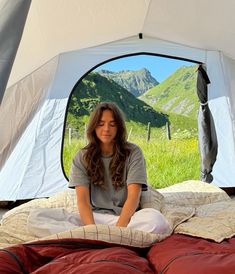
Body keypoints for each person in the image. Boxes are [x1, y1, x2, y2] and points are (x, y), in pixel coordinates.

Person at [69, 102, 170, 234]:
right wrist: (91, 231)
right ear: (93, 127)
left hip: (128, 218)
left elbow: (134, 196)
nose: (106, 129)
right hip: (96, 218)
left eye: (112, 124)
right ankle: (108, 236)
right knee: (37, 218)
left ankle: (109, 237)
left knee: (157, 221)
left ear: (119, 128)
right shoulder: (81, 157)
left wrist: (118, 232)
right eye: (101, 124)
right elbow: (83, 202)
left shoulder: (133, 152)